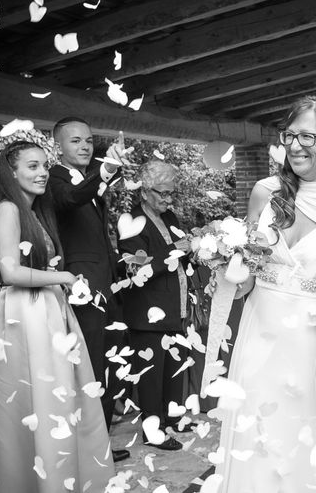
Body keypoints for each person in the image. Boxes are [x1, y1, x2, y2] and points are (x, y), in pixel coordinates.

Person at [215, 95, 316, 492]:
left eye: (308, 136)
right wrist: (228, 267)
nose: (294, 145)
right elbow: (250, 277)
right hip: (261, 338)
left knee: (314, 452)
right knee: (261, 446)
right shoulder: (265, 192)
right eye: (289, 135)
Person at [0, 139, 114, 492]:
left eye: (44, 165)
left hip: (48, 309)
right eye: (32, 166)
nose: (42, 173)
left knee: (60, 398)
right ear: (12, 171)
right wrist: (64, 277)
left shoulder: (35, 212)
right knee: (40, 398)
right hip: (26, 313)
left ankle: (61, 477)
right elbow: (10, 271)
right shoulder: (7, 209)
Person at [48, 117, 130, 462]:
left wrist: (122, 264)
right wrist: (107, 169)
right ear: (59, 147)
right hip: (82, 286)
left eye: (88, 141)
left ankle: (101, 442)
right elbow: (72, 200)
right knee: (92, 362)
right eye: (75, 141)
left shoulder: (90, 180)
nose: (84, 146)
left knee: (110, 359)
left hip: (104, 283)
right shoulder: (55, 179)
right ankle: (89, 446)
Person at [117, 159, 188, 450]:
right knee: (151, 376)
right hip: (146, 312)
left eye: (172, 193)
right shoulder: (130, 222)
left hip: (174, 306)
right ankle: (153, 432)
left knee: (173, 369)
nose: (168, 199)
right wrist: (174, 251)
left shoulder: (170, 217)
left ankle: (172, 420)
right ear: (145, 192)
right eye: (163, 193)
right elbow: (136, 269)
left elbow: (182, 256)